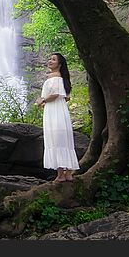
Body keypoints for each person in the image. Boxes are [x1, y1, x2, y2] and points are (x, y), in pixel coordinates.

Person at [35, 52, 79, 182]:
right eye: (49, 59)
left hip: (54, 112)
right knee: (64, 140)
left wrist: (42, 100)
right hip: (59, 110)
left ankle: (61, 175)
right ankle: (68, 173)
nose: (50, 61)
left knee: (56, 139)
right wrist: (44, 102)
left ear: (59, 65)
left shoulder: (54, 77)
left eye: (53, 60)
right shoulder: (62, 78)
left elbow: (54, 94)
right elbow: (64, 97)